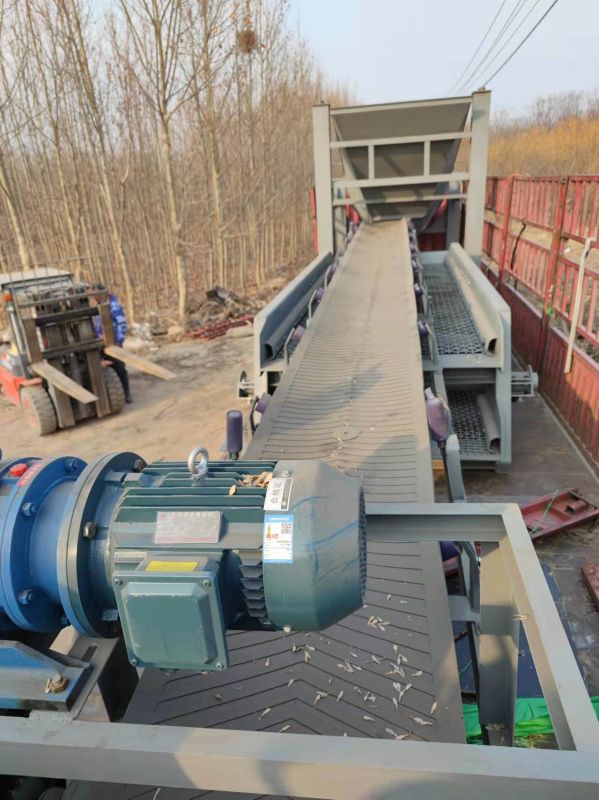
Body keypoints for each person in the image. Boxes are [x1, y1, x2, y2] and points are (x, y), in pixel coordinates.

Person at [93, 287, 132, 403]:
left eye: (95, 294)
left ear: (102, 294)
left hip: (113, 342)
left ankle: (126, 393)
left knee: (119, 368)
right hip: (102, 343)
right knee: (106, 368)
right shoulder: (98, 306)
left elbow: (121, 323)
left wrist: (119, 340)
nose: (94, 297)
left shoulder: (114, 306)